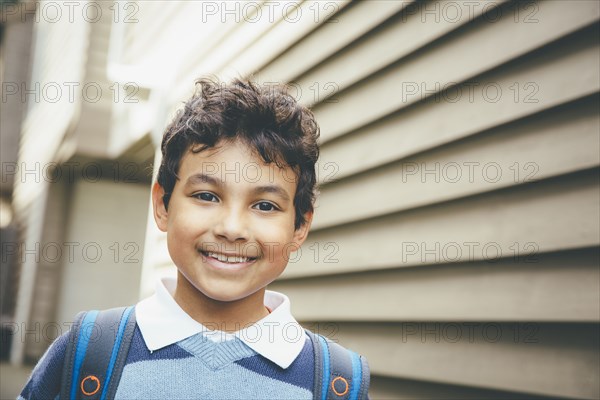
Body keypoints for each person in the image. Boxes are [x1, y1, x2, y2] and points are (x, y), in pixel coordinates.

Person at [19, 77, 370, 399]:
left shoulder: (335, 383)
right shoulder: (90, 351)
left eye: (264, 205)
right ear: (162, 205)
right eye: (206, 196)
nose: (232, 228)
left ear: (300, 228)